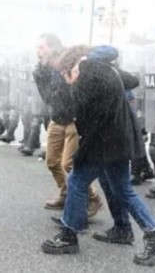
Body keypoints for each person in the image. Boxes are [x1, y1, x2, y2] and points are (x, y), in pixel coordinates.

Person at [41, 46, 155, 267]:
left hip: (105, 143)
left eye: (65, 74)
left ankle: (68, 235)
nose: (66, 80)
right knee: (122, 189)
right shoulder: (102, 69)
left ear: (72, 66)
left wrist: (68, 85)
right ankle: (141, 233)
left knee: (77, 181)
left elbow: (64, 112)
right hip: (116, 140)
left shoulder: (87, 70)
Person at [33, 34, 103, 217]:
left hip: (73, 119)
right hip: (57, 118)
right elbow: (46, 96)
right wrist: (40, 70)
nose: (38, 52)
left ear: (52, 47)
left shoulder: (68, 61)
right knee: (52, 161)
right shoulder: (44, 68)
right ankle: (65, 193)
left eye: (41, 48)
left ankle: (93, 198)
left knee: (69, 164)